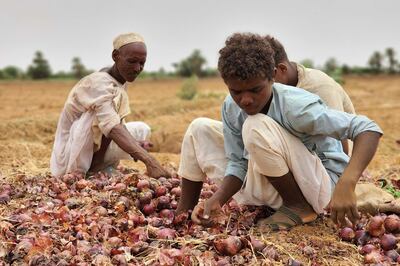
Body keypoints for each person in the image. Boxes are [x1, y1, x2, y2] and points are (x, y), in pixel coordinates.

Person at [176, 33, 382, 230]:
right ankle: (183, 213)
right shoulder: (231, 107)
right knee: (199, 128)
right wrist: (217, 199)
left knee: (255, 125)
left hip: (320, 188)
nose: (245, 100)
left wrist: (346, 184)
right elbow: (238, 162)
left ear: (273, 76)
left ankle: (298, 208)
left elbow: (368, 129)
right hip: (274, 185)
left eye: (256, 90)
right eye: (236, 91)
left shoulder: (296, 106)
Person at [50, 33, 169, 178]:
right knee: (99, 117)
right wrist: (150, 161)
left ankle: (100, 167)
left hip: (94, 143)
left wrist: (137, 145)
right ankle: (83, 172)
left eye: (142, 63)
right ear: (115, 56)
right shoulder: (98, 83)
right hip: (70, 153)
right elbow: (111, 127)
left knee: (141, 129)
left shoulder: (119, 79)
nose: (137, 68)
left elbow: (116, 123)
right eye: (132, 61)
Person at [265, 35, 356, 155]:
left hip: (330, 155)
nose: (264, 88)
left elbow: (340, 143)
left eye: (267, 80)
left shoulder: (320, 87)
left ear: (281, 69)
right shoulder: (276, 90)